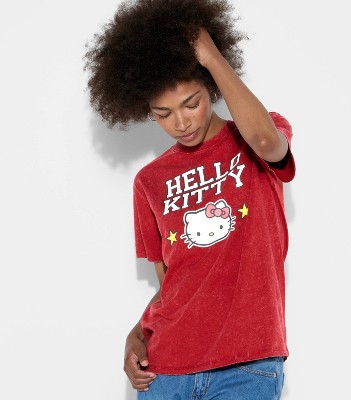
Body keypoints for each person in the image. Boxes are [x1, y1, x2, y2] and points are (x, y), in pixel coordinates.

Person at [84, 0, 295, 398]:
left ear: (210, 88)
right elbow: (174, 282)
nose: (180, 123)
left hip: (246, 365)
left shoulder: (256, 139)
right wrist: (137, 332)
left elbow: (268, 142)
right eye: (162, 113)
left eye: (191, 103)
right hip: (165, 370)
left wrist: (211, 56)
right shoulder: (149, 181)